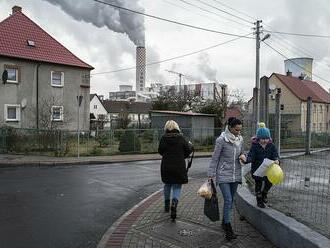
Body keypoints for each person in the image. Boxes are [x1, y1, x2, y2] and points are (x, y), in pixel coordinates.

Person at [207, 117, 245, 241]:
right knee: (228, 200)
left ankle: (224, 221)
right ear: (230, 127)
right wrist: (211, 173)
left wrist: (244, 156)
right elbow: (215, 158)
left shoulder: (240, 139)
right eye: (236, 130)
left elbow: (242, 153)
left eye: (240, 130)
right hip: (223, 174)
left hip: (236, 174)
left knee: (231, 200)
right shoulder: (221, 140)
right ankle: (228, 228)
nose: (238, 132)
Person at [158, 120, 193, 221]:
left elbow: (160, 151)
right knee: (177, 186)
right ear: (176, 127)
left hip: (166, 166)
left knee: (167, 184)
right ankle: (174, 203)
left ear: (166, 128)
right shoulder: (181, 138)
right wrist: (188, 148)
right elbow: (187, 152)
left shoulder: (163, 138)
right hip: (179, 166)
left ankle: (166, 205)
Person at [240, 124, 279, 208]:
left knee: (270, 182)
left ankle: (264, 193)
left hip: (268, 170)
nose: (264, 141)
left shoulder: (271, 146)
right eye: (262, 139)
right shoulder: (255, 147)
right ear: (258, 139)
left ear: (269, 138)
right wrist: (246, 160)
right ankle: (259, 200)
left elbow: (275, 155)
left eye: (266, 138)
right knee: (258, 185)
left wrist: (277, 160)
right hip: (257, 170)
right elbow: (251, 156)